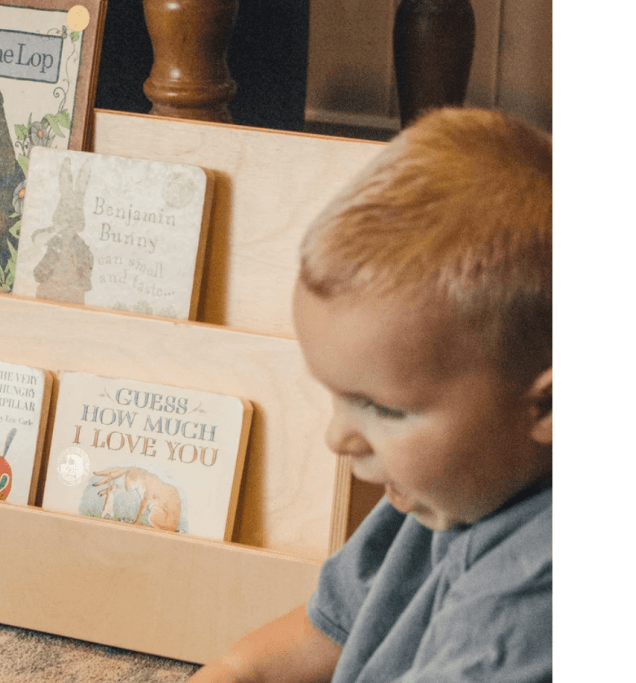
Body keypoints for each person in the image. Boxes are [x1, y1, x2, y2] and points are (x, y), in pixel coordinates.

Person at [189, 107, 552, 683]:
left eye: (382, 408)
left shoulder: (534, 598)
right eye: (336, 396)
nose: (338, 436)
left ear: (549, 406)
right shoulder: (443, 488)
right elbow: (298, 644)